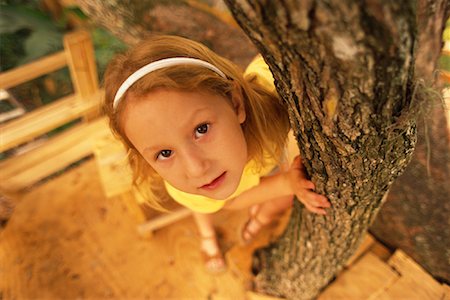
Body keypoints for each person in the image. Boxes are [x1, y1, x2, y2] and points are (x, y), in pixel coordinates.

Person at [103, 35, 330, 274]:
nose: (196, 168)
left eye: (201, 129)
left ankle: (257, 219)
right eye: (165, 152)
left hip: (252, 167)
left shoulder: (278, 91)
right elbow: (229, 201)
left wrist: (286, 184)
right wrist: (285, 182)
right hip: (206, 197)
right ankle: (207, 235)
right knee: (204, 206)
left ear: (236, 103)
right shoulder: (186, 183)